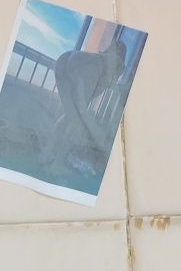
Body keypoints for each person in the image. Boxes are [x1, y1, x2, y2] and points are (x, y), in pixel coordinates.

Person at [51, 40, 127, 172]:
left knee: (68, 114)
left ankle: (46, 153)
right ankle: (57, 162)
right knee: (75, 120)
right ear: (122, 53)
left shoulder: (100, 57)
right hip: (87, 67)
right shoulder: (118, 64)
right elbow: (111, 83)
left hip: (65, 58)